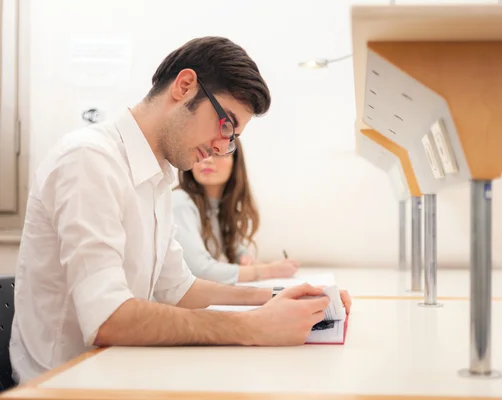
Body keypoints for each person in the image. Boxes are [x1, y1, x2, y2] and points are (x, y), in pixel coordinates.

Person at [9, 36, 351, 384]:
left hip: (115, 374)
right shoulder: (89, 160)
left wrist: (280, 298)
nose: (222, 147)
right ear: (185, 86)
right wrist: (252, 326)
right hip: (63, 385)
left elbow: (180, 289)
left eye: (232, 138)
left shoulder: (157, 176)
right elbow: (108, 318)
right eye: (225, 125)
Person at [172, 138, 299, 284]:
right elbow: (200, 271)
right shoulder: (180, 202)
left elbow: (236, 250)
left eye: (218, 153)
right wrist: (268, 271)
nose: (207, 160)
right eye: (202, 152)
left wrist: (247, 259)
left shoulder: (220, 208)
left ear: (235, 163)